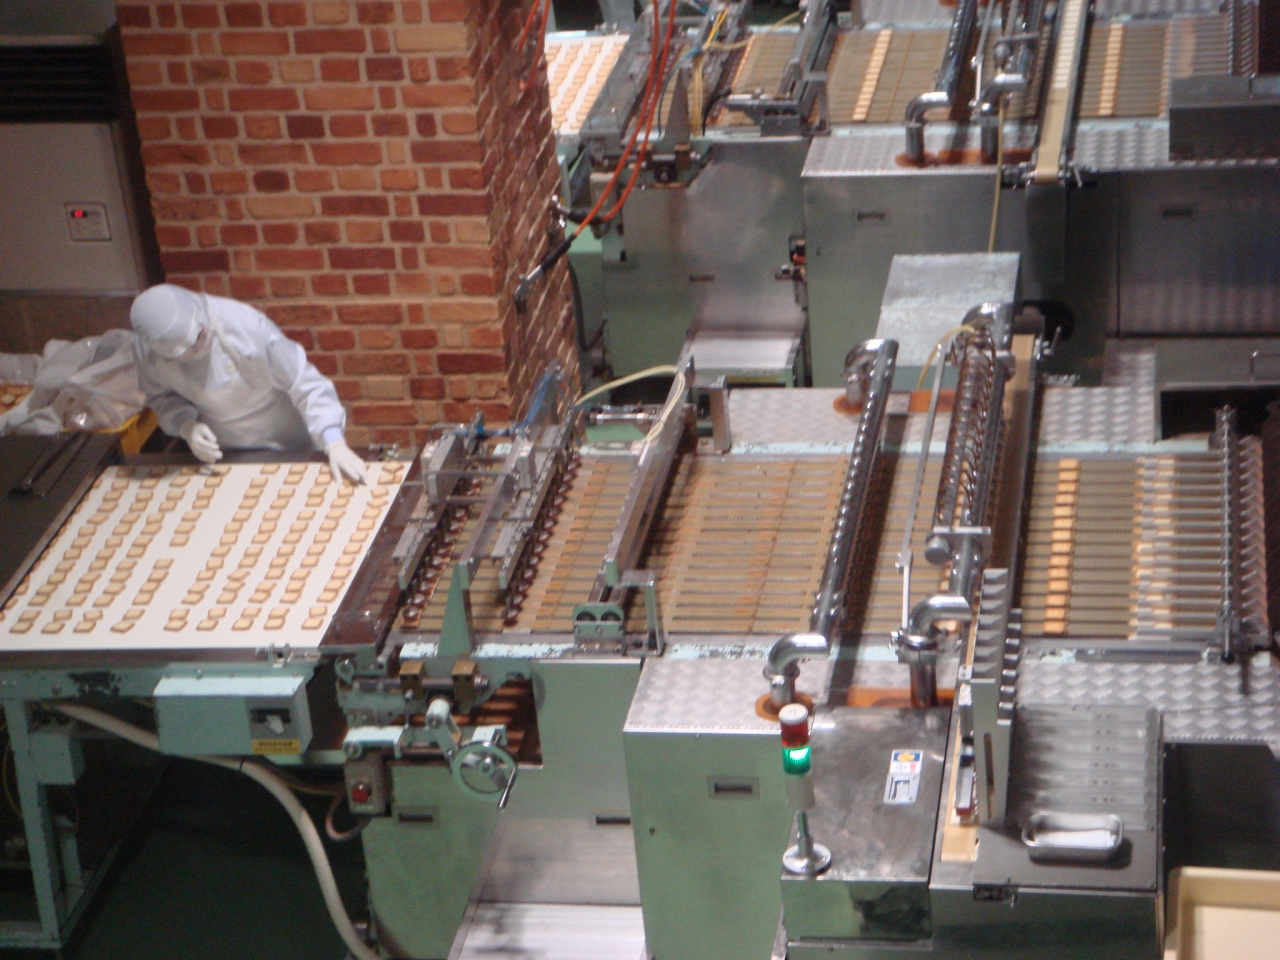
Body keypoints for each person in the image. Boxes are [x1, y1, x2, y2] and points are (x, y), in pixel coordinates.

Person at [129, 284, 367, 485]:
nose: (195, 351)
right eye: (183, 353)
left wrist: (334, 441)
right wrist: (187, 427)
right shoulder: (146, 353)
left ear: (199, 313)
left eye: (199, 338)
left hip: (288, 439)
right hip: (225, 454)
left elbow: (305, 383)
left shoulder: (244, 325)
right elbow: (161, 398)